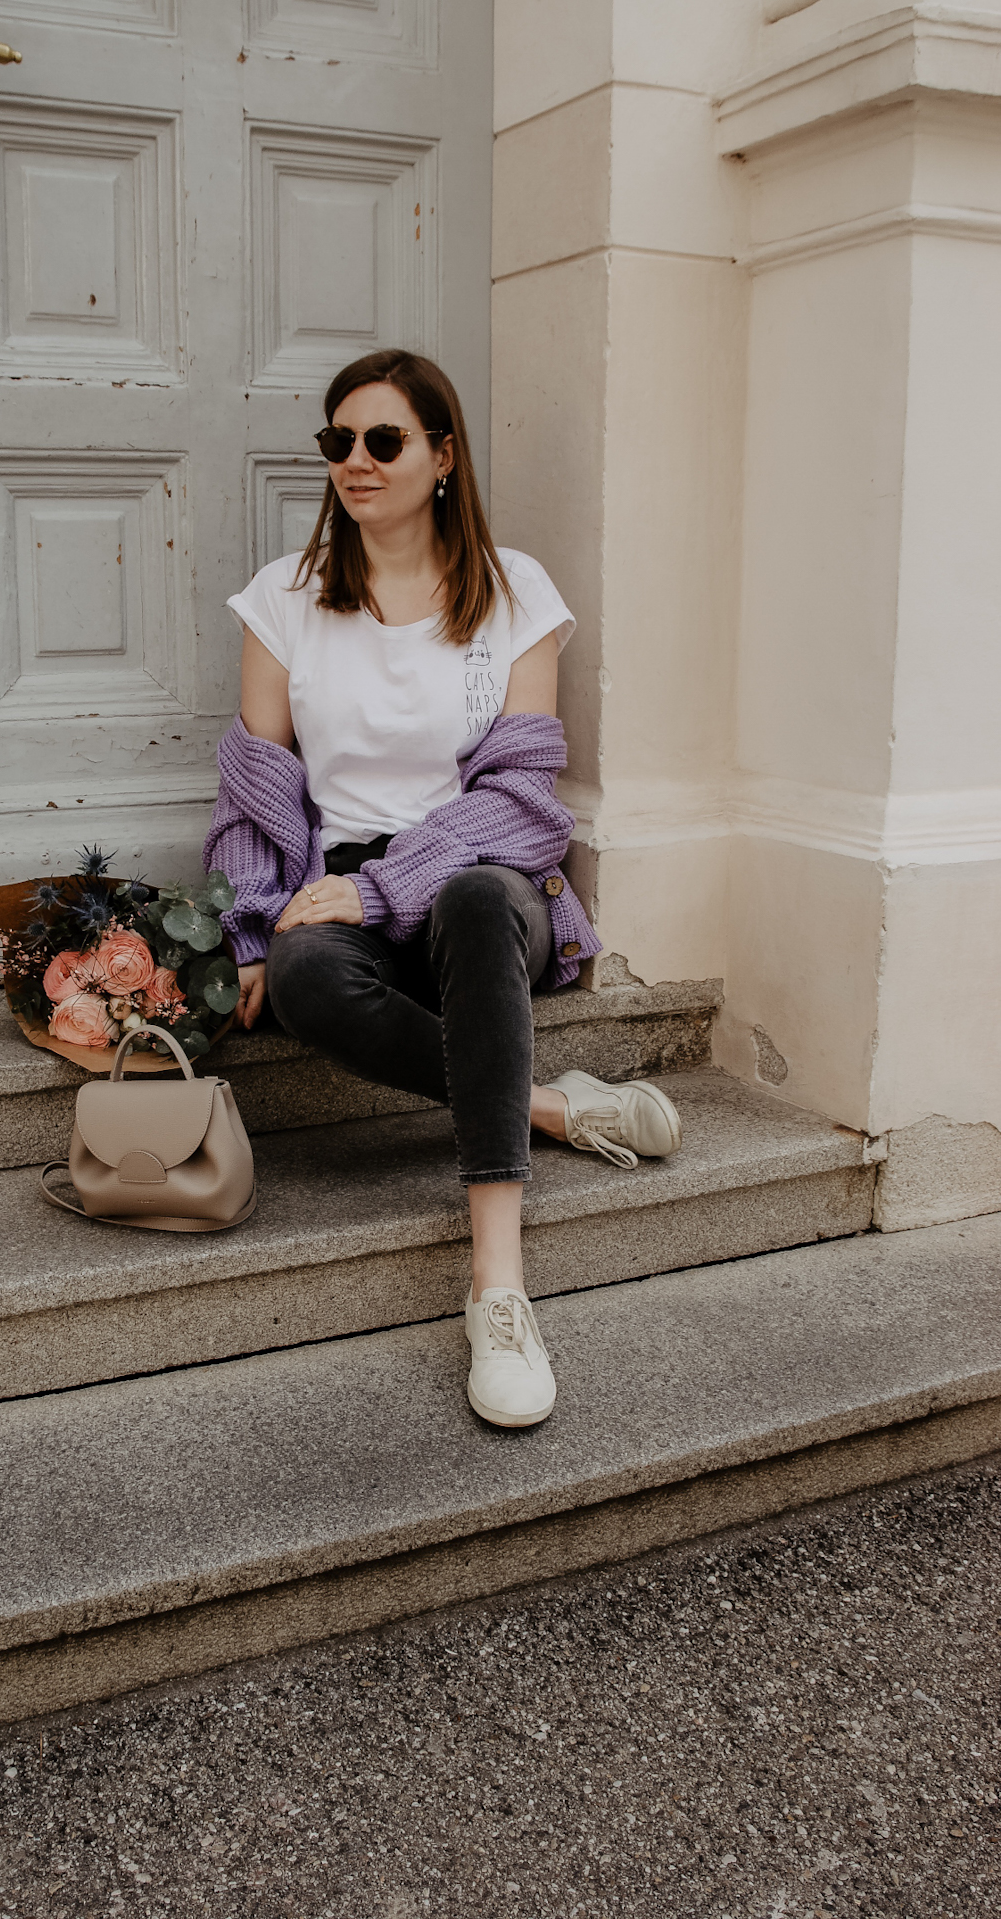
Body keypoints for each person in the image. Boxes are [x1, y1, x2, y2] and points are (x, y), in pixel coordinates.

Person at [204, 349, 681, 1428]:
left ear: (443, 455)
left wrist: (388, 888)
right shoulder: (284, 598)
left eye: (384, 440)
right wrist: (244, 929)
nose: (356, 462)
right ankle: (552, 1108)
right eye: (338, 442)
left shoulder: (514, 595)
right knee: (304, 976)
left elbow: (521, 801)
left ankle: (497, 1287)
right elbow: (255, 792)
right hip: (339, 888)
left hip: (476, 881)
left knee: (469, 894)